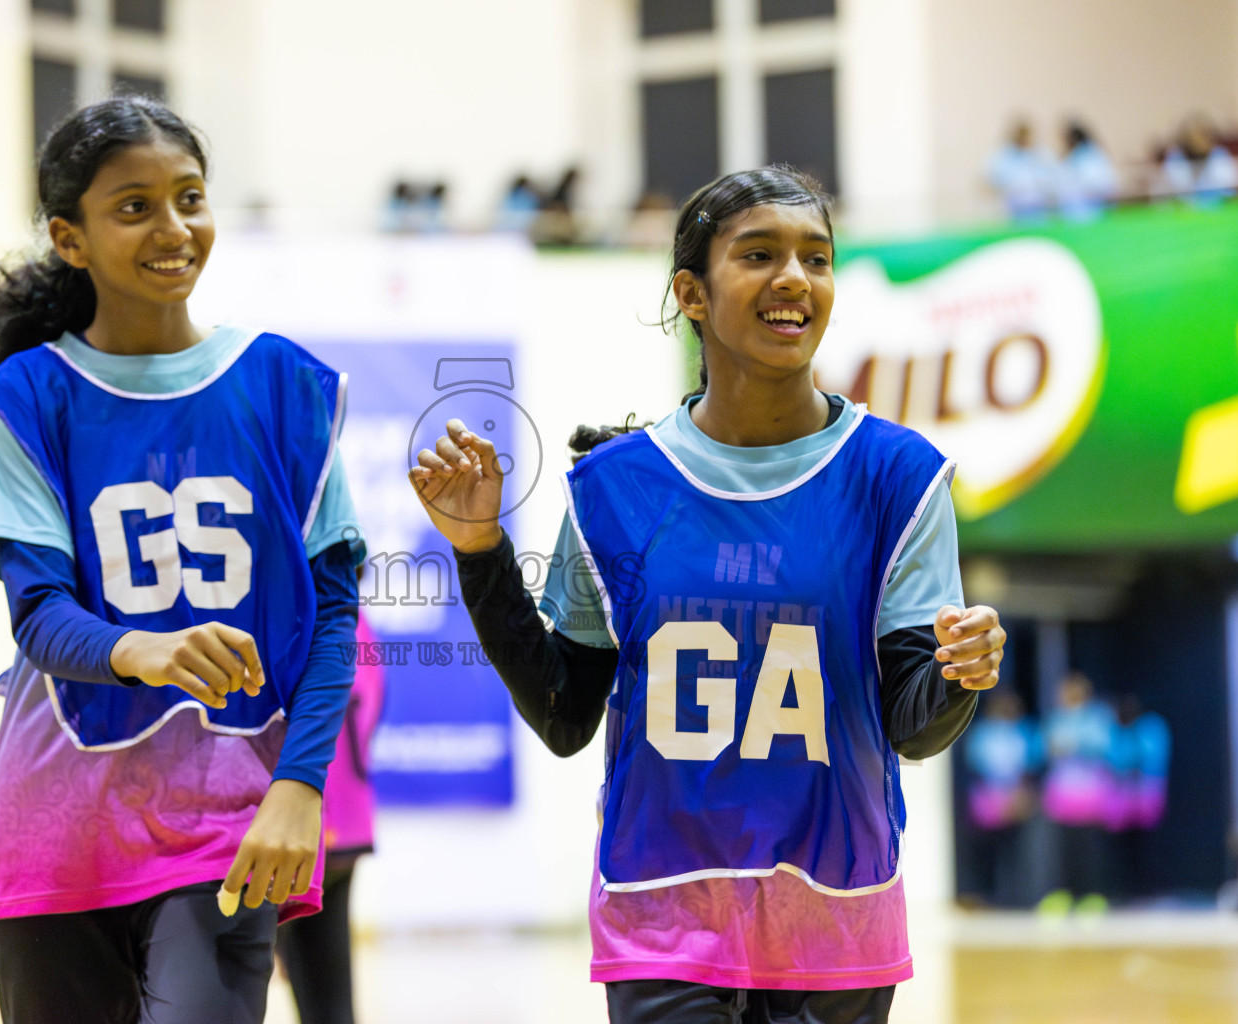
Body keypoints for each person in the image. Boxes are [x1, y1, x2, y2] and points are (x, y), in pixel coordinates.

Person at [408, 166, 1006, 1024]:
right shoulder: (614, 488)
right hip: (662, 915)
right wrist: (480, 553)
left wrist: (958, 674)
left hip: (835, 920)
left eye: (816, 258)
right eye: (760, 255)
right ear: (691, 292)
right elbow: (565, 713)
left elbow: (914, 728)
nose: (795, 278)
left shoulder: (898, 477)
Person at [0, 96, 363, 1024]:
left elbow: (336, 615)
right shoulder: (30, 395)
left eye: (190, 197)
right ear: (71, 237)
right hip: (56, 827)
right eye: (135, 207)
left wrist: (300, 787)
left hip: (230, 818)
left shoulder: (287, 385)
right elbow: (39, 613)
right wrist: (149, 650)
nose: (174, 228)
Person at [278, 612, 387, 1024]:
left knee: (239, 985)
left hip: (298, 824)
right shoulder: (358, 624)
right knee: (329, 997)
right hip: (346, 822)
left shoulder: (295, 618)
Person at [1038, 671, 1116, 915]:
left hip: (1090, 794)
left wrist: (1074, 746)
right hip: (1063, 795)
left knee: (1090, 850)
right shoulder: (1056, 719)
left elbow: (1103, 746)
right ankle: (1063, 895)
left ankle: (1092, 896)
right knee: (1063, 850)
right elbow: (1045, 749)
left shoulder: (1096, 718)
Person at [962, 690, 1041, 907]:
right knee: (988, 851)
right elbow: (975, 766)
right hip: (989, 799)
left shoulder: (1023, 731)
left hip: (1017, 798)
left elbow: (1030, 766)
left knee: (1016, 850)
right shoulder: (982, 733)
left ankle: (1017, 895)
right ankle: (987, 895)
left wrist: (1020, 794)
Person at [987, 118, 1056, 222]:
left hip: (1040, 206)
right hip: (1016, 207)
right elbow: (992, 179)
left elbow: (1051, 176)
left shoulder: (1040, 153)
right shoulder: (1005, 156)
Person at [1160, 116, 1238, 206]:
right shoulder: (1175, 158)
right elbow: (1169, 193)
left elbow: (1229, 190)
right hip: (1184, 210)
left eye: (1202, 135)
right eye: (1193, 136)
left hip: (1218, 208)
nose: (1198, 140)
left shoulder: (1220, 155)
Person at [1055, 119, 1119, 220]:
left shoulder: (1088, 155)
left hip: (1090, 207)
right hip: (1077, 208)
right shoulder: (1075, 156)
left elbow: (1098, 182)